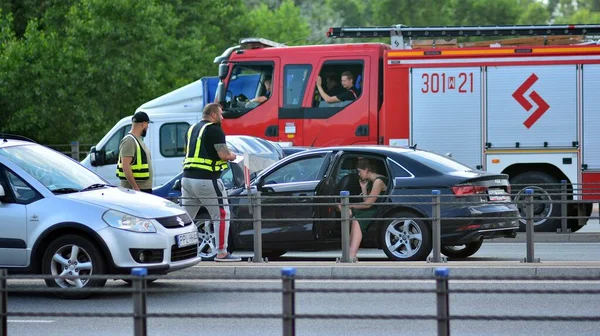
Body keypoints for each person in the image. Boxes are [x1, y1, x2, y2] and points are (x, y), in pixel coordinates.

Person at [181, 103, 241, 262]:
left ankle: (180, 251)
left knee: (186, 218)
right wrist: (233, 156)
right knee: (222, 214)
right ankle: (222, 252)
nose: (222, 117)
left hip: (187, 179)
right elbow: (223, 154)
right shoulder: (215, 129)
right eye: (220, 114)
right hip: (207, 179)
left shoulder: (192, 129)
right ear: (213, 115)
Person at [338, 158, 388, 261]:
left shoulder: (378, 181)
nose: (359, 174)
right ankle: (350, 252)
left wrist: (349, 205)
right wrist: (363, 188)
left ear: (366, 170)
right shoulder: (373, 181)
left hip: (377, 210)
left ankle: (352, 253)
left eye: (359, 171)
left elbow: (368, 204)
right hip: (374, 208)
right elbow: (367, 200)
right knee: (354, 216)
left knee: (357, 218)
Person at [116, 111, 153, 193]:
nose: (148, 127)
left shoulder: (137, 140)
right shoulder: (129, 141)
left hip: (141, 189)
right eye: (147, 124)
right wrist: (135, 188)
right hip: (136, 191)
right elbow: (125, 166)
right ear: (143, 124)